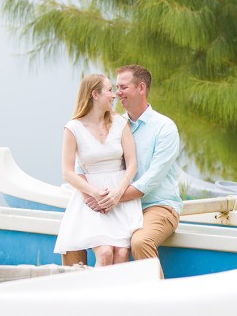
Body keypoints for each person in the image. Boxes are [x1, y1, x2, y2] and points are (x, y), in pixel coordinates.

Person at [63, 65, 182, 273]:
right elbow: (82, 165)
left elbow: (151, 180)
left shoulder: (164, 128)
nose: (117, 93)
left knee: (140, 241)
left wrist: (113, 197)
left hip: (156, 205)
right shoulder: (114, 123)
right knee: (74, 240)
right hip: (117, 204)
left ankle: (157, 299)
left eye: (123, 87)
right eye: (115, 88)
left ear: (141, 88)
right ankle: (79, 297)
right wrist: (90, 195)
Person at [53, 73, 143, 267]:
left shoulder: (120, 123)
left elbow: (132, 163)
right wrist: (95, 193)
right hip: (93, 199)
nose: (114, 95)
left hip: (120, 196)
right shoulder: (73, 128)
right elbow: (67, 173)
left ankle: (117, 297)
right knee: (104, 253)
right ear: (95, 94)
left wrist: (118, 192)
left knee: (120, 253)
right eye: (110, 90)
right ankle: (95, 296)